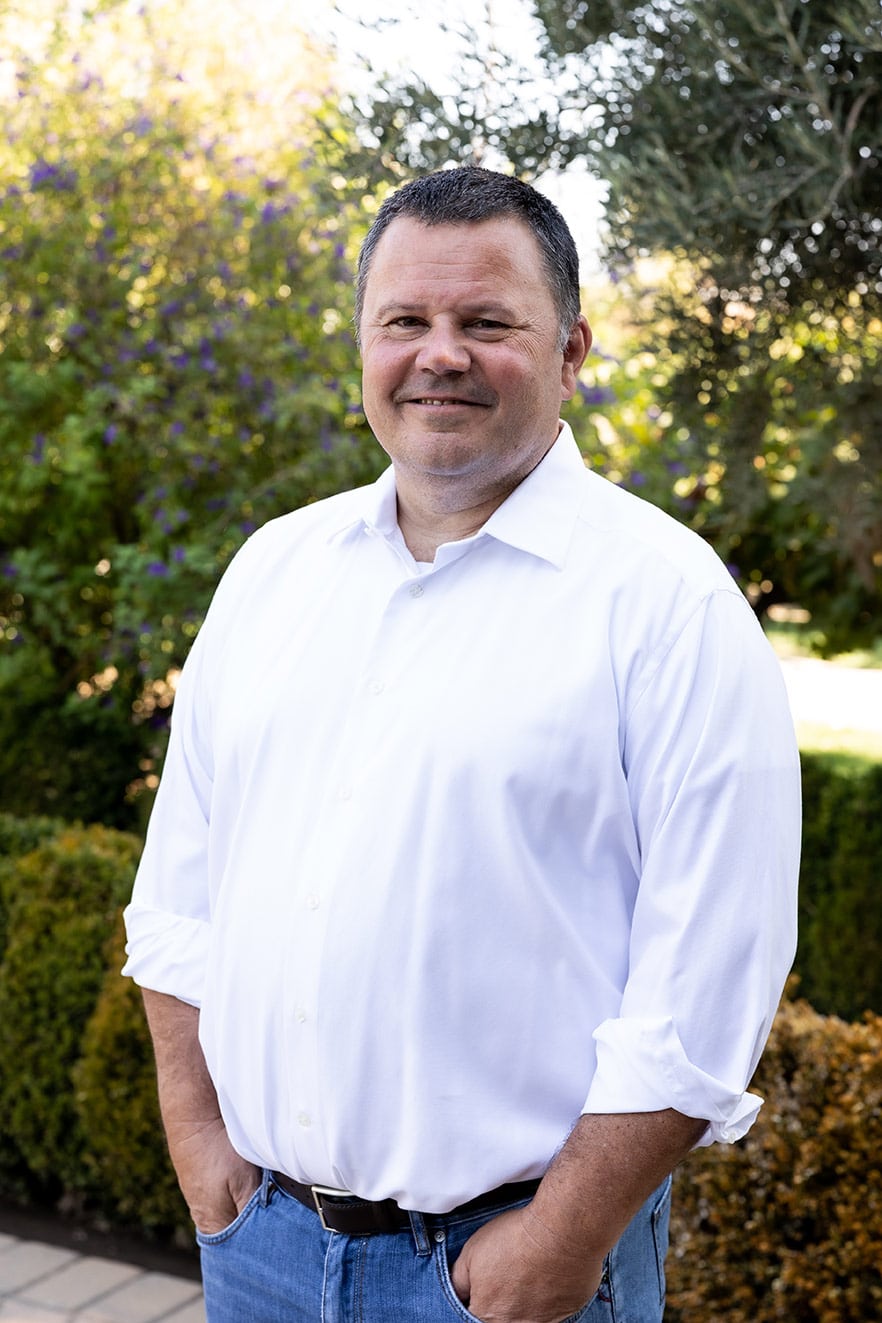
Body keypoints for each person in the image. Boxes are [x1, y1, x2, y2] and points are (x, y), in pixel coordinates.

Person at [123, 165, 800, 1323]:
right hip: (262, 1251)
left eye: (487, 323)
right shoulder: (275, 572)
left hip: (504, 1275)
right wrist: (202, 1150)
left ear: (572, 348)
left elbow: (708, 981)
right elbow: (183, 897)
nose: (440, 354)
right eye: (405, 322)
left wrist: (562, 1241)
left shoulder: (665, 602)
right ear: (364, 345)